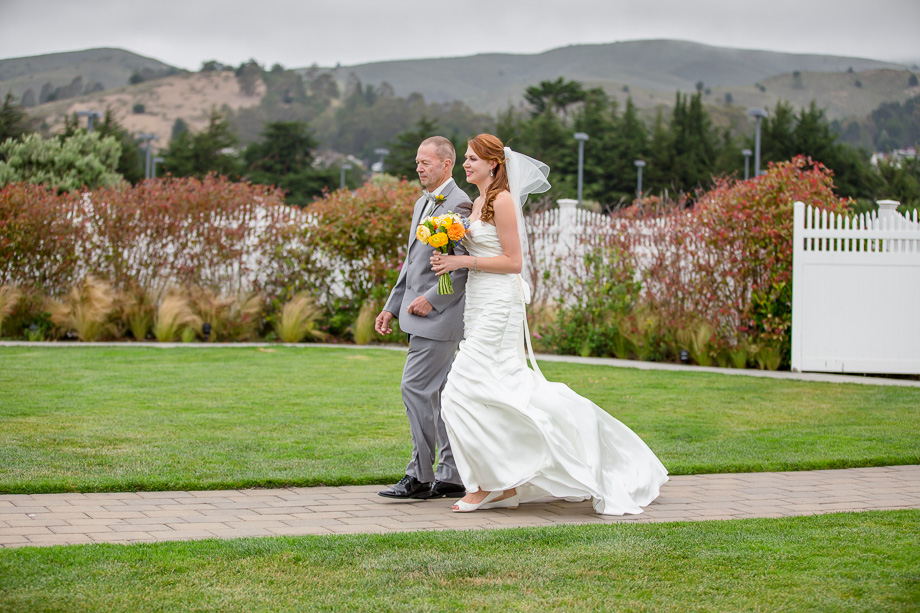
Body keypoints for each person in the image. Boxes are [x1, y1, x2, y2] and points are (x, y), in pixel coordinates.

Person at [430, 134, 668, 514]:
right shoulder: (477, 204)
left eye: (473, 159)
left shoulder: (503, 202)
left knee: (459, 390)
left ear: (494, 163)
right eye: (466, 159)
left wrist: (460, 263)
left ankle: (485, 485)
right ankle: (501, 486)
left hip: (500, 304)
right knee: (489, 391)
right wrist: (447, 253)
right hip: (477, 302)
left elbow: (513, 262)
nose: (466, 165)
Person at [375, 136, 473, 501]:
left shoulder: (461, 204)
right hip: (417, 314)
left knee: (414, 388)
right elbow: (411, 263)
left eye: (426, 162)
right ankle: (449, 477)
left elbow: (461, 269)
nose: (418, 167)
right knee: (439, 397)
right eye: (417, 162)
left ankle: (419, 474)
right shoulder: (422, 203)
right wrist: (392, 305)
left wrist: (431, 301)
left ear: (446, 164)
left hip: (441, 317)